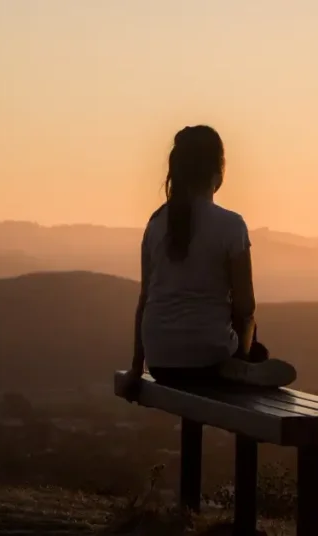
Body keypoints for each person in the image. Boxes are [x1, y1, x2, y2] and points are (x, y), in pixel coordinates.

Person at [116, 125, 296, 399]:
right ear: (218, 171)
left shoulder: (155, 223)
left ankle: (237, 364)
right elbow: (246, 307)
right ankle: (241, 365)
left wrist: (135, 369)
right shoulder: (231, 226)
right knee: (255, 341)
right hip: (210, 357)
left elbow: (145, 301)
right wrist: (244, 353)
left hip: (161, 362)